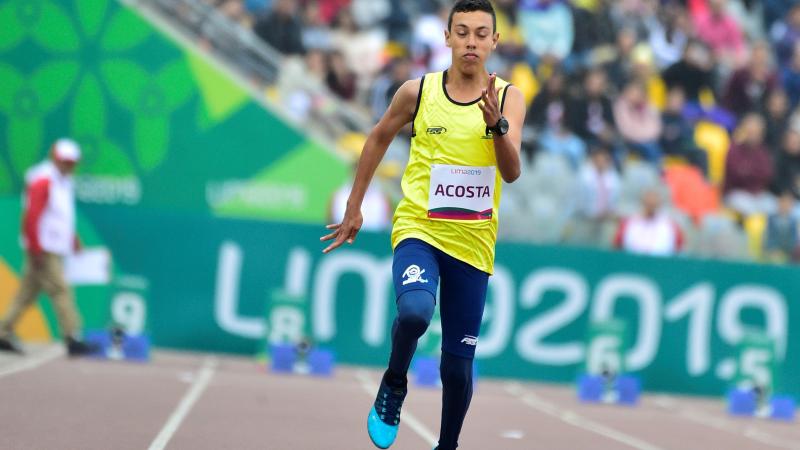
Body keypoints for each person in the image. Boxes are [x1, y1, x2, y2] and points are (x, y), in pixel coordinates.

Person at [319, 1, 525, 449]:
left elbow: (511, 172)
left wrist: (497, 126)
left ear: (494, 41)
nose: (471, 41)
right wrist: (355, 206)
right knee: (413, 312)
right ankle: (394, 383)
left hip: (472, 243)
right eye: (463, 32)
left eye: (480, 33)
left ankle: (446, 446)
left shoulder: (508, 97)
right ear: (448, 38)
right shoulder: (418, 92)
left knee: (456, 367)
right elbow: (376, 138)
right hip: (420, 229)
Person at [0, 139, 98, 356]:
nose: (69, 166)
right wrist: (35, 247)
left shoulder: (62, 181)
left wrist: (73, 239)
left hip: (50, 246)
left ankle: (3, 332)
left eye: (72, 162)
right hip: (44, 248)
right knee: (61, 290)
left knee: (26, 293)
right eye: (65, 161)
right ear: (56, 158)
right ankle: (73, 337)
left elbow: (59, 217)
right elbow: (32, 215)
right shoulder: (43, 180)